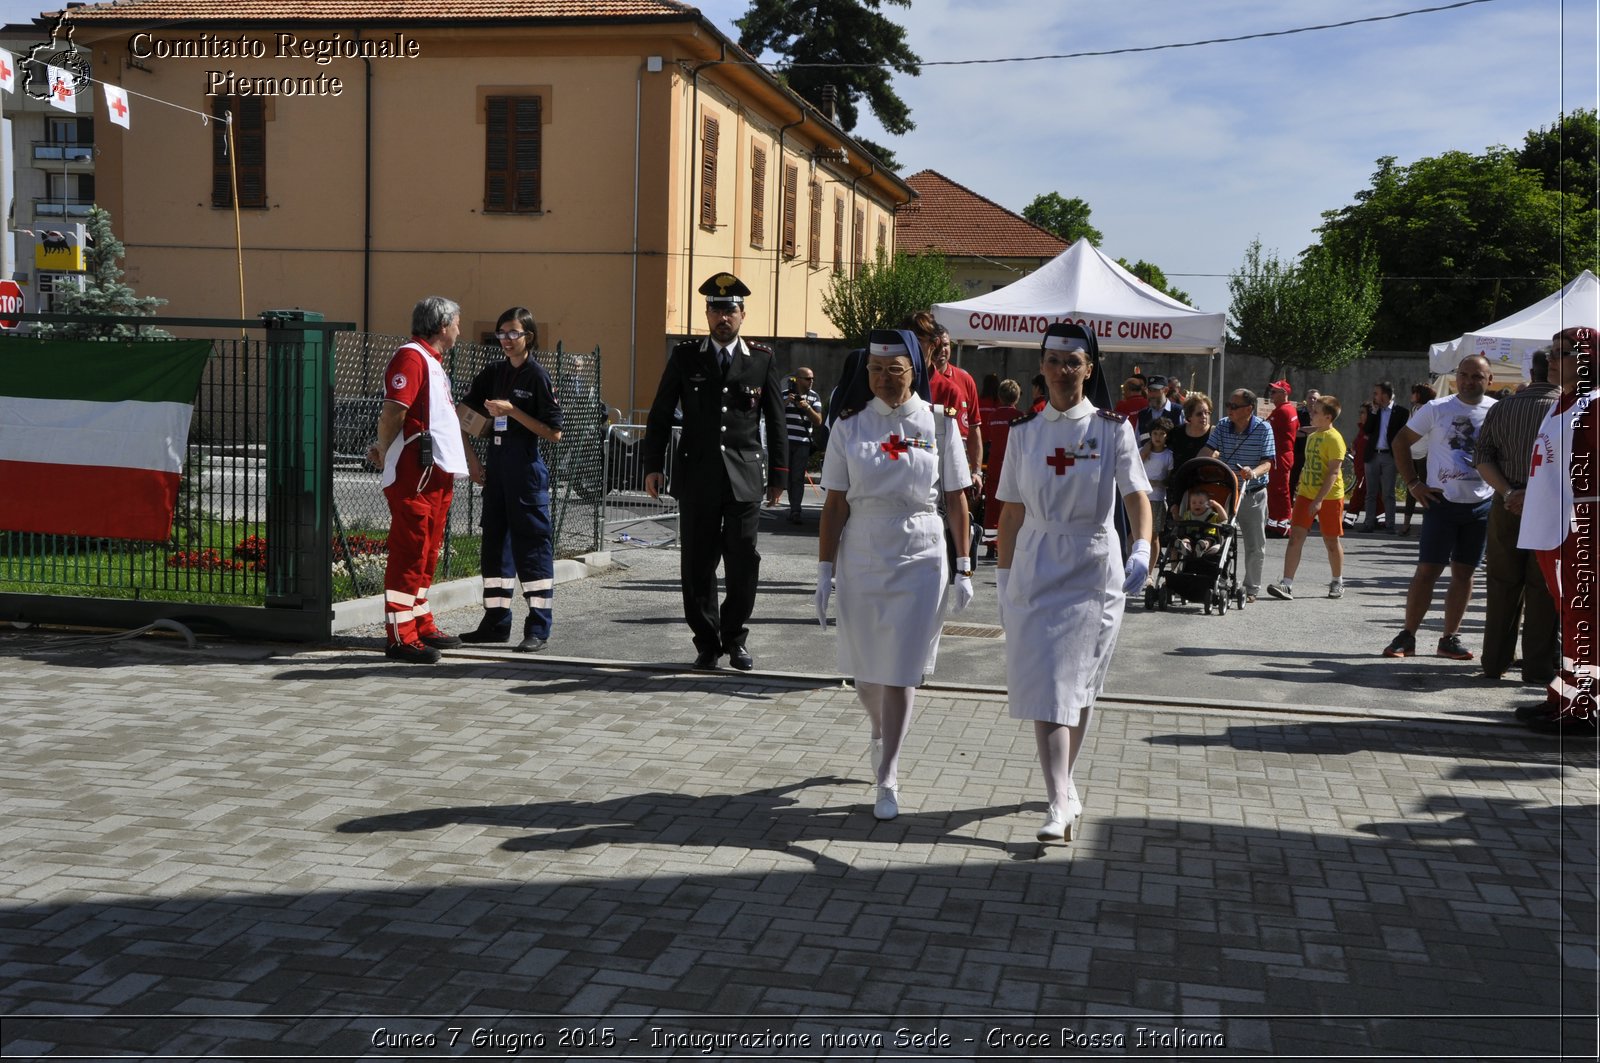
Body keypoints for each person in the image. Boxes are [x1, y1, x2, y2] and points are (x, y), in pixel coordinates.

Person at [996, 321, 1151, 844]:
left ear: (1089, 368)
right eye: (1055, 361)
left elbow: (1135, 497)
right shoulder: (1023, 434)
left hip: (1093, 565)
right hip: (1038, 564)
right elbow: (1011, 514)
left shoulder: (1111, 429)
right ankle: (1059, 797)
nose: (1064, 371)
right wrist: (1002, 576)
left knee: (1079, 684)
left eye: (1074, 362)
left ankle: (1062, 789)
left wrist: (1143, 546)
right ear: (1041, 368)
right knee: (1049, 684)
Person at [815, 328, 974, 820]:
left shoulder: (940, 424)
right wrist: (823, 570)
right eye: (876, 371)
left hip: (923, 548)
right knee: (866, 673)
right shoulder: (849, 426)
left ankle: (888, 775)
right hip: (863, 546)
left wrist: (965, 565)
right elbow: (835, 503)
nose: (884, 379)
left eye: (895, 370)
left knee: (903, 668)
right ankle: (880, 728)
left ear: (914, 372)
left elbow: (956, 498)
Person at [642, 273, 787, 671]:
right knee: (698, 563)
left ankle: (735, 638)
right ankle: (706, 642)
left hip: (743, 479)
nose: (723, 317)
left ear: (743, 314)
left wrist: (778, 476)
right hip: (697, 476)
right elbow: (659, 413)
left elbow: (775, 420)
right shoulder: (686, 356)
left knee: (743, 560)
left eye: (730, 310)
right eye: (716, 310)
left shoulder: (762, 359)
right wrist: (653, 465)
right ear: (706, 314)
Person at [367, 296, 470, 664]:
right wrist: (382, 448)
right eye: (457, 322)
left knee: (427, 551)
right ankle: (399, 636)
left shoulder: (431, 360)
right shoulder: (411, 356)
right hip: (417, 472)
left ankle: (420, 622)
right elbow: (394, 410)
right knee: (410, 551)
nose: (460, 328)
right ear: (443, 326)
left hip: (435, 471)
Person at [458, 307, 564, 652]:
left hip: (526, 473)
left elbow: (553, 433)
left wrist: (513, 411)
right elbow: (464, 417)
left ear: (527, 337)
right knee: (494, 548)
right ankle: (495, 623)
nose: (505, 340)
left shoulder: (537, 377)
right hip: (496, 470)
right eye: (501, 333)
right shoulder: (492, 373)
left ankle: (537, 628)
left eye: (512, 333)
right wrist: (472, 460)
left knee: (532, 548)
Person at [1383, 355, 1497, 660]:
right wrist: (1413, 484)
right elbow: (1399, 442)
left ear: (1490, 380)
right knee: (1427, 571)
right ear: (1456, 376)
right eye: (1464, 374)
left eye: (1476, 376)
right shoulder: (1437, 408)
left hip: (1481, 506)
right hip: (1441, 503)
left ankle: (1449, 638)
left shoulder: (1497, 410)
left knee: (1464, 574)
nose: (1469, 381)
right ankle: (1407, 636)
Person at [1516, 326, 1598, 735]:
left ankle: (1585, 706)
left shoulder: (1595, 404)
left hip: (1579, 529)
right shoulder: (1562, 402)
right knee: (1569, 617)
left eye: (1561, 353)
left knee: (1585, 618)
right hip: (1551, 528)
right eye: (1550, 352)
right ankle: (1563, 698)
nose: (1551, 359)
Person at [1473, 353, 1559, 684]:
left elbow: (1481, 457)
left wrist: (1510, 493)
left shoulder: (1501, 407)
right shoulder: (1563, 410)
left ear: (1530, 373)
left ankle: (1494, 661)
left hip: (1505, 504)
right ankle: (1537, 668)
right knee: (1542, 588)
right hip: (1549, 506)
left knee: (1501, 584)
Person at [1267, 395, 1346, 601]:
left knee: (1330, 540)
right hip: (1305, 494)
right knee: (1295, 538)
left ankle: (1337, 581)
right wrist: (1301, 491)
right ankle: (1287, 584)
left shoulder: (1335, 439)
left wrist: (1319, 500)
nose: (1311, 413)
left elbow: (1333, 473)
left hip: (1329, 497)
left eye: (1316, 411)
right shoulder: (1312, 436)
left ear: (1328, 417)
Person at [1202, 388, 1274, 602]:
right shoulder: (1223, 425)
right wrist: (1197, 465)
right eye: (1228, 405)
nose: (1229, 410)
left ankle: (1251, 588)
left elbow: (1268, 462)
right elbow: (1208, 450)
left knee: (1254, 544)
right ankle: (1219, 580)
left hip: (1252, 492)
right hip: (1228, 491)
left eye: (1234, 406)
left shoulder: (1264, 428)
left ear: (1249, 409)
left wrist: (1253, 472)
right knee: (1218, 537)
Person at [979, 379, 1023, 557]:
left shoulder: (993, 417)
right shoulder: (1020, 416)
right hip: (1013, 467)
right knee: (1012, 505)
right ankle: (1011, 542)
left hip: (995, 466)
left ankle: (991, 544)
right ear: (1017, 397)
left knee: (992, 505)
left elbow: (989, 441)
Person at [1360, 381, 1409, 532]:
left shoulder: (1401, 412)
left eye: (1377, 393)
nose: (1374, 396)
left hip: (1389, 456)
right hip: (1373, 455)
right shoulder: (1373, 410)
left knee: (1388, 493)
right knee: (1371, 492)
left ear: (1385, 395)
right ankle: (1368, 523)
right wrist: (1373, 413)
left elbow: (1402, 435)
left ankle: (1390, 525)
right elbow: (1367, 430)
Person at [782, 366, 823, 525]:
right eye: (807, 378)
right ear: (797, 379)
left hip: (802, 443)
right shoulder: (785, 395)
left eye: (812, 378)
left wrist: (806, 407)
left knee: (797, 478)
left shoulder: (814, 397)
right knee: (787, 478)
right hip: (785, 443)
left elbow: (818, 421)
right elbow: (775, 414)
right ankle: (793, 507)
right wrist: (787, 402)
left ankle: (795, 510)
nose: (811, 381)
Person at [1398, 383, 1437, 534]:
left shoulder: (1429, 410)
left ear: (1420, 395)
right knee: (1411, 488)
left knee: (1428, 490)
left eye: (1414, 392)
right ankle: (1406, 524)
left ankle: (1430, 524)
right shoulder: (1413, 410)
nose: (1411, 395)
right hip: (1412, 453)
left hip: (1425, 455)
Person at [1265, 380, 1299, 536]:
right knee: (1276, 489)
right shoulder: (1290, 409)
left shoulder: (1282, 411)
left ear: (1284, 393)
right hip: (1284, 453)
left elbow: (1265, 428)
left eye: (1274, 392)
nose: (1271, 395)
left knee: (1279, 489)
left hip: (1280, 454)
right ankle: (1275, 522)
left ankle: (1283, 523)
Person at [1141, 417, 1175, 544]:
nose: (1158, 437)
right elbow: (1134, 469)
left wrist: (1158, 483)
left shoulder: (1169, 455)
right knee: (1136, 534)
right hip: (1141, 497)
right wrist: (1144, 452)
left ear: (1167, 436)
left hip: (1158, 499)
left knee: (1153, 537)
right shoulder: (1142, 451)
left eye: (1162, 434)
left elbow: (1169, 479)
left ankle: (1151, 564)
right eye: (1155, 433)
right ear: (1150, 434)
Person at [1172, 488, 1226, 559]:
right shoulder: (1188, 514)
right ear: (1189, 504)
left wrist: (1217, 505)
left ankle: (1202, 546)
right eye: (1193, 503)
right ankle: (1184, 546)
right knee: (1186, 539)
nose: (1197, 505)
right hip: (1191, 536)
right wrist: (1175, 514)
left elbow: (1224, 518)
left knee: (1208, 540)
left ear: (1208, 505)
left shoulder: (1212, 515)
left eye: (1201, 503)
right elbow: (1180, 521)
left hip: (1207, 536)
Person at [1167, 392, 1213, 470]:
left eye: (1207, 413)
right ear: (1189, 416)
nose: (1204, 416)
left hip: (1204, 481)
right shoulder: (1177, 432)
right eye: (1199, 414)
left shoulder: (1215, 434)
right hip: (1179, 479)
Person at [1135, 374, 1184, 446]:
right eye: (1149, 390)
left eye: (1155, 390)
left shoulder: (1177, 411)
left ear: (1166, 390)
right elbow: (1136, 442)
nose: (1152, 394)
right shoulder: (1142, 414)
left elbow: (1182, 439)